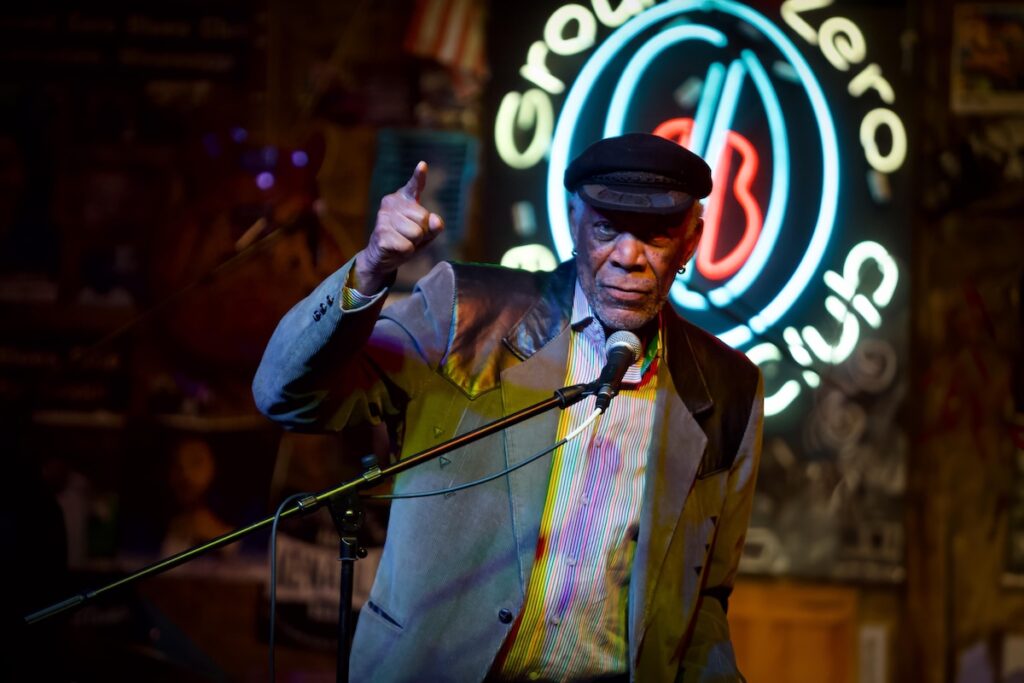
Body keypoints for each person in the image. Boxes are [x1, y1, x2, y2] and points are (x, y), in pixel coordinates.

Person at [253, 133, 763, 682]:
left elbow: (704, 601)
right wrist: (371, 268)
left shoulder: (726, 388)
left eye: (656, 235)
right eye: (607, 228)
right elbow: (287, 397)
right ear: (574, 221)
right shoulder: (466, 313)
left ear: (691, 241)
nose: (627, 257)